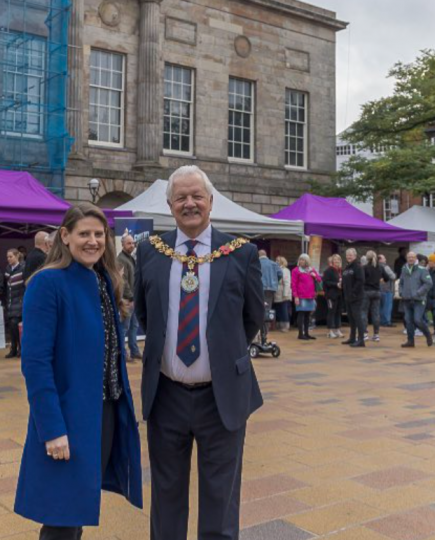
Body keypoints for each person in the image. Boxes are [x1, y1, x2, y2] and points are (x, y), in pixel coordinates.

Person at [134, 165, 263, 540]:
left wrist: (220, 353)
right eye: (181, 198)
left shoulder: (241, 253)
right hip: (166, 394)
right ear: (170, 204)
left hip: (221, 395)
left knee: (221, 500)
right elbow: (146, 314)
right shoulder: (150, 252)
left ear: (211, 201)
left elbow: (251, 319)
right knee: (166, 495)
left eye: (196, 196)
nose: (189, 204)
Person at [14, 203, 142, 540]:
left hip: (104, 413)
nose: (93, 241)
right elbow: (36, 363)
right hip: (68, 416)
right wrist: (52, 428)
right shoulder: (48, 283)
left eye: (99, 234)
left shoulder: (102, 279)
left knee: (79, 508)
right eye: (84, 233)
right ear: (65, 236)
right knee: (61, 517)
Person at [399, 251, 433, 347]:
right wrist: (401, 292)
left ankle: (428, 335)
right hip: (406, 299)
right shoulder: (404, 269)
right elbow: (401, 282)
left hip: (419, 299)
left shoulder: (422, 270)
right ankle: (410, 341)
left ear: (416, 258)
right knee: (408, 320)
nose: (411, 259)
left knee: (417, 320)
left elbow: (429, 283)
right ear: (406, 258)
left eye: (412, 257)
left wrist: (418, 293)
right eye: (409, 257)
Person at [116, 234, 142, 360]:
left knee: (134, 326)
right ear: (122, 244)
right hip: (127, 300)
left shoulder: (131, 258)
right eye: (129, 243)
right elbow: (123, 281)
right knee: (124, 327)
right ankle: (123, 353)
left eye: (133, 243)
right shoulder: (120, 259)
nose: (132, 245)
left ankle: (134, 351)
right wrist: (131, 298)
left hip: (134, 298)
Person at [292, 254, 322, 340]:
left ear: (307, 261)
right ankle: (300, 334)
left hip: (310, 296)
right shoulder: (296, 270)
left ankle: (307, 333)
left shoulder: (311, 270)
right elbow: (293, 284)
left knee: (307, 315)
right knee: (301, 314)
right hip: (301, 296)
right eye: (300, 259)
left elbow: (319, 279)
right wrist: (296, 296)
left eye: (303, 260)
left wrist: (315, 276)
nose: (301, 261)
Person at [4, 249, 26, 358]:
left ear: (17, 256)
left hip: (20, 302)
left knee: (16, 325)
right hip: (10, 302)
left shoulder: (23, 268)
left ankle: (21, 349)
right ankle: (13, 348)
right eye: (7, 257)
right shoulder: (7, 269)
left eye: (11, 256)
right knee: (11, 328)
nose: (8, 259)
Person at [341, 248, 366, 347]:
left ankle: (361, 340)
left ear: (355, 256)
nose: (349, 257)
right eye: (347, 255)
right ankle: (352, 338)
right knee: (351, 318)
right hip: (347, 296)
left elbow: (360, 281)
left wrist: (353, 293)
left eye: (350, 255)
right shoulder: (347, 267)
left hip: (356, 297)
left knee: (357, 317)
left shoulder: (357, 267)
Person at [362, 250, 387, 343]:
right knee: (376, 313)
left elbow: (362, 280)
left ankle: (364, 334)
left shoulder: (364, 268)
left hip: (366, 292)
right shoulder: (380, 267)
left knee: (364, 312)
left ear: (366, 258)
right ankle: (376, 334)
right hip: (377, 291)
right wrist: (380, 280)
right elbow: (387, 278)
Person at [259, 249, 283, 333]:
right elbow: (280, 274)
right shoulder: (273, 263)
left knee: (258, 307)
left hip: (259, 288)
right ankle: (266, 330)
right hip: (271, 289)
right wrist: (275, 281)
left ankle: (259, 329)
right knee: (267, 309)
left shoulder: (256, 263)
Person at [323, 254, 343, 338]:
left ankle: (337, 330)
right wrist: (336, 284)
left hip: (340, 294)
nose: (337, 261)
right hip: (331, 295)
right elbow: (326, 282)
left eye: (338, 259)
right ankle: (330, 331)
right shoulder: (328, 270)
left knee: (338, 312)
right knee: (331, 312)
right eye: (335, 260)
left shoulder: (341, 271)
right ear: (332, 261)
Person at [274, 256, 292, 332]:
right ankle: (279, 325)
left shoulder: (285, 270)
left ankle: (285, 326)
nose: (276, 261)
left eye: (278, 260)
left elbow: (287, 283)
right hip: (277, 292)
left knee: (284, 310)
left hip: (283, 292)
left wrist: (285, 294)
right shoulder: (276, 269)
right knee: (278, 309)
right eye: (276, 260)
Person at [378, 254, 397, 327]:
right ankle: (386, 321)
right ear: (380, 260)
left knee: (380, 306)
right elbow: (393, 276)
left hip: (379, 290)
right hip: (387, 289)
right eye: (384, 258)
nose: (385, 259)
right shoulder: (386, 267)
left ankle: (380, 321)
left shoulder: (375, 267)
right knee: (387, 306)